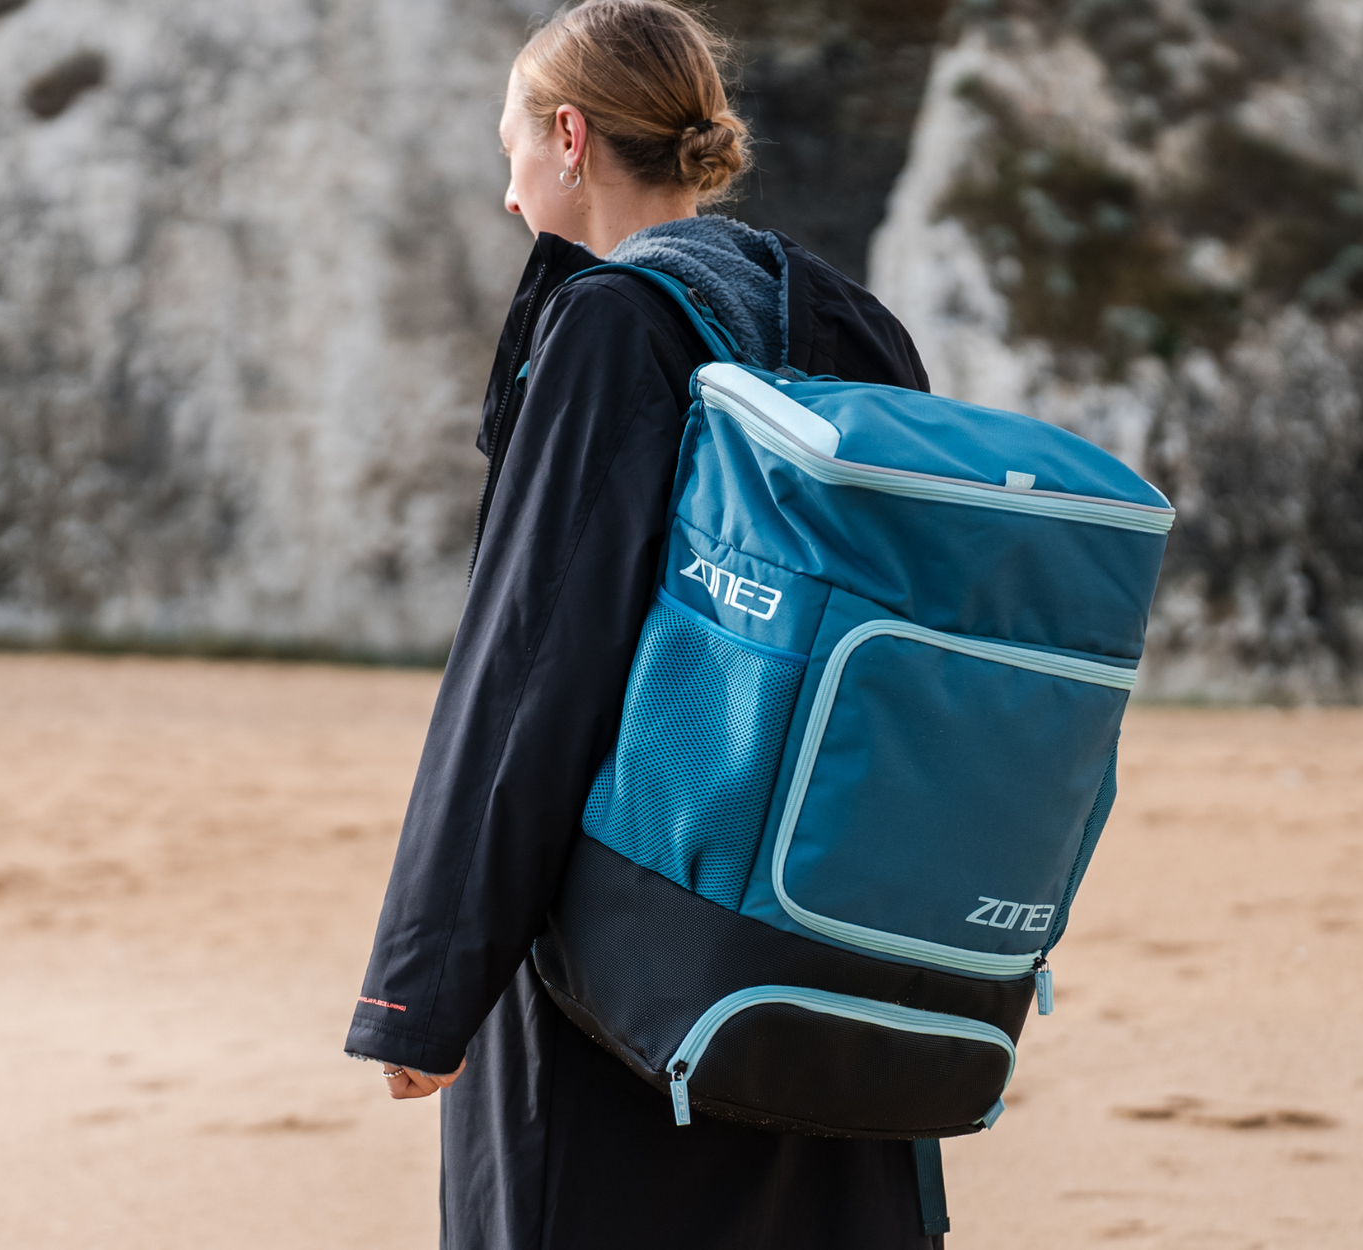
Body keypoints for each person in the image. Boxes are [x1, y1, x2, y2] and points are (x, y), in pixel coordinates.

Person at [346, 2, 938, 1245]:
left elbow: (533, 660)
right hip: (831, 924)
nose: (509, 194)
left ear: (568, 136)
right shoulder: (842, 318)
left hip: (628, 948)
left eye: (509, 147)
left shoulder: (614, 323)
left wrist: (425, 984)